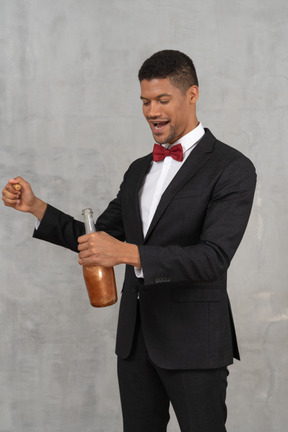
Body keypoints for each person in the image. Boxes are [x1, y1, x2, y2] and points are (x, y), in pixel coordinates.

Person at [2, 50, 257, 432]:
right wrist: (37, 208)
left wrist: (126, 253)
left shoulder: (232, 167)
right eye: (145, 101)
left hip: (194, 344)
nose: (152, 111)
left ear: (192, 95)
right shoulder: (139, 170)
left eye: (162, 100)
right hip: (136, 343)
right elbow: (96, 240)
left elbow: (212, 258)